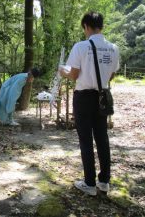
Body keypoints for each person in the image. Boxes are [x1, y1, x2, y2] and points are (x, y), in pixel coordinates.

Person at [59, 11, 120, 196]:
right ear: (101, 26)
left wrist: (63, 72)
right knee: (102, 138)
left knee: (86, 140)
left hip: (84, 97)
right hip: (102, 96)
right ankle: (104, 182)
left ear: (86, 26)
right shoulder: (113, 48)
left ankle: (89, 183)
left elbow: (74, 74)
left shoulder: (81, 46)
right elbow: (112, 74)